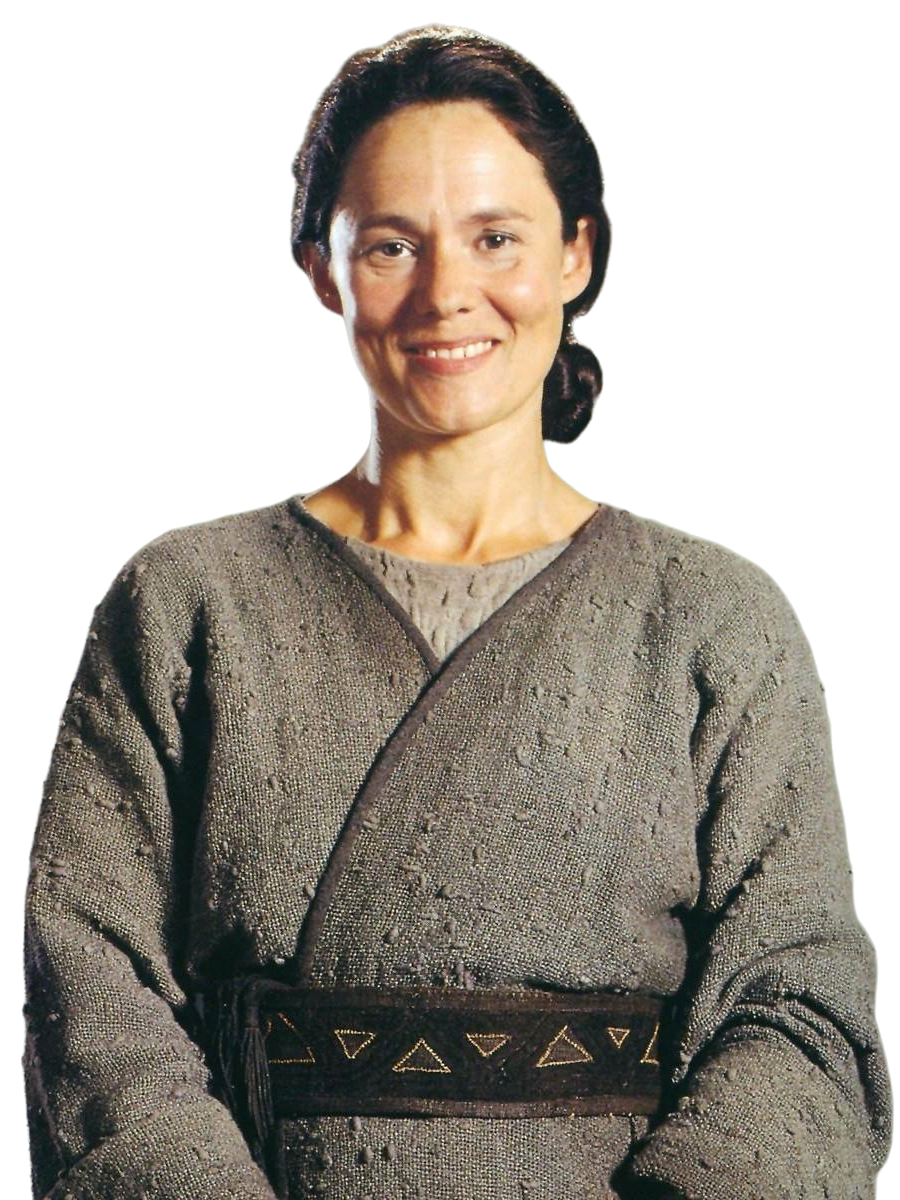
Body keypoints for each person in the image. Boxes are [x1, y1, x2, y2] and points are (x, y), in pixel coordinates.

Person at [23, 22, 892, 1200]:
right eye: (392, 245)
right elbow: (89, 982)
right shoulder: (183, 601)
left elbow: (798, 1004)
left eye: (496, 238)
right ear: (321, 269)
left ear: (578, 252)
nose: (446, 294)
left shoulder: (717, 618)